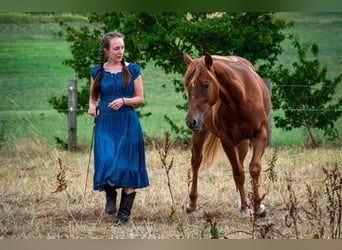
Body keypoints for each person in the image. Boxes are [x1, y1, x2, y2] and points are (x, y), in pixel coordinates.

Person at [88, 31, 149, 225]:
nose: (120, 51)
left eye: (122, 47)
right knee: (106, 160)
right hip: (105, 121)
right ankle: (110, 193)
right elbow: (93, 98)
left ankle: (123, 215)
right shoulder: (97, 72)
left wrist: (124, 100)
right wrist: (91, 107)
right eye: (116, 48)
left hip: (128, 122)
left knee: (128, 166)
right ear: (106, 51)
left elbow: (140, 99)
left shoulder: (133, 70)